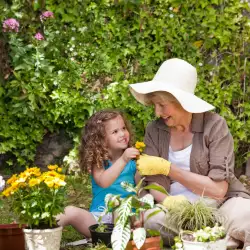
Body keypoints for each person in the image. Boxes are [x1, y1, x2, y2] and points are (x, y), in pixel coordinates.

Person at [129, 58, 250, 249]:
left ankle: (204, 237)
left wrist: (170, 169)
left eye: (162, 104)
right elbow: (153, 182)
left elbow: (219, 190)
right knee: (152, 220)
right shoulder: (154, 130)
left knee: (246, 213)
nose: (157, 112)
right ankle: (220, 239)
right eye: (154, 105)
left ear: (182, 101)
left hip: (220, 204)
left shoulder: (215, 126)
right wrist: (169, 202)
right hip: (176, 212)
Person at [57, 109, 140, 238]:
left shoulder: (134, 161)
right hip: (98, 221)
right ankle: (41, 231)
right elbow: (103, 181)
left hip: (126, 217)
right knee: (69, 211)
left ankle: (118, 241)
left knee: (119, 210)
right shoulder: (99, 161)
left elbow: (141, 187)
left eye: (124, 128)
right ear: (101, 139)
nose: (123, 133)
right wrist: (124, 159)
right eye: (115, 131)